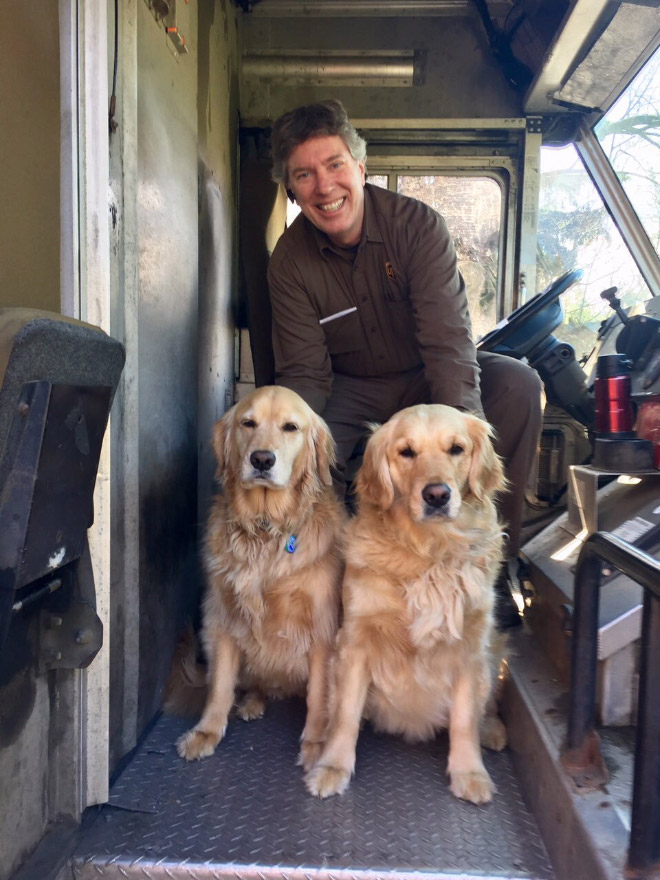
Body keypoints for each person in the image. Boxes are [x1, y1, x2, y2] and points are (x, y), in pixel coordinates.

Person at [266, 99, 542, 628]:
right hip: (348, 387)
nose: (324, 187)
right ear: (292, 189)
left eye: (335, 166)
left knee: (518, 385)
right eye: (304, 175)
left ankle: (492, 560)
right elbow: (304, 375)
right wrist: (294, 441)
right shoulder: (289, 262)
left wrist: (457, 436)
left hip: (427, 379)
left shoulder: (417, 226)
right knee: (303, 451)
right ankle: (328, 590)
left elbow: (448, 345)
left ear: (360, 166)